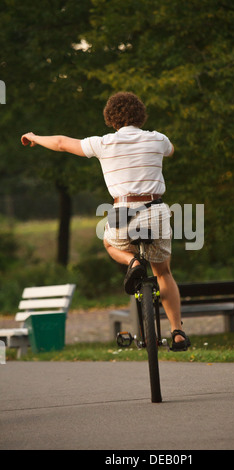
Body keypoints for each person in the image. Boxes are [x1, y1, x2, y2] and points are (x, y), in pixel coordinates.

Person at [21, 91, 190, 351]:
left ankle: (131, 261)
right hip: (155, 208)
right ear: (141, 115)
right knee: (163, 272)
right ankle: (178, 332)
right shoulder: (158, 139)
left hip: (123, 211)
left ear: (111, 119)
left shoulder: (103, 143)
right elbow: (171, 150)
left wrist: (34, 137)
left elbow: (62, 142)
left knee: (111, 245)